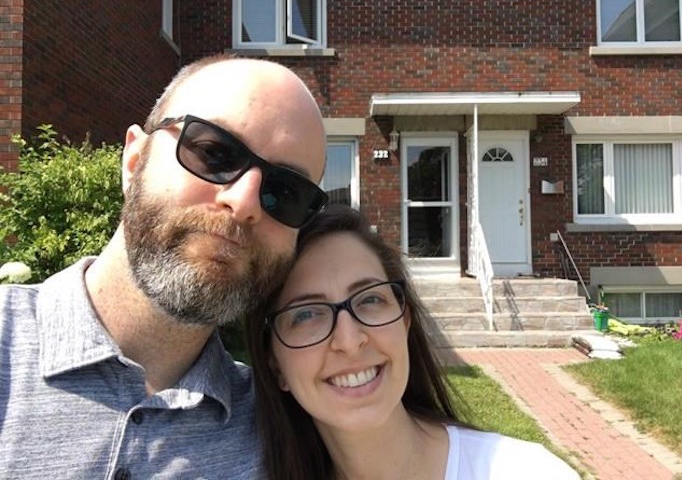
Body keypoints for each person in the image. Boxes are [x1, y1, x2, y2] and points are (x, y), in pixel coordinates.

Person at [0, 54, 328, 478]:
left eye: (286, 192)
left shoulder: (281, 436)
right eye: (214, 152)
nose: (243, 202)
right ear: (134, 160)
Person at [246, 205, 581, 480]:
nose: (349, 341)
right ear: (275, 365)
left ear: (405, 320)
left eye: (370, 300)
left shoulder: (523, 472)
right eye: (306, 315)